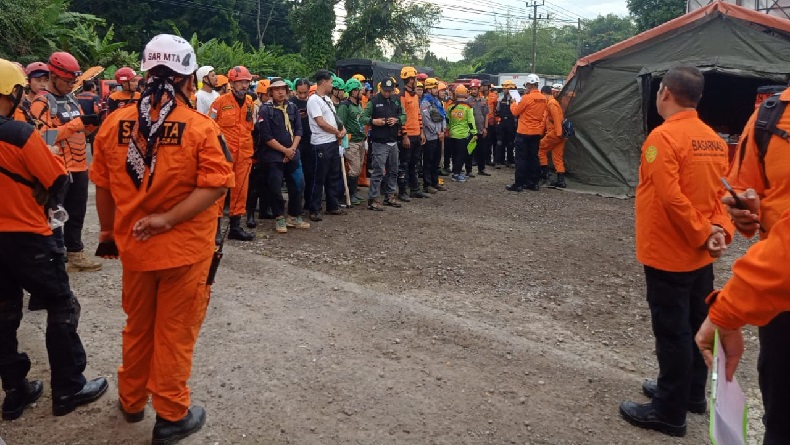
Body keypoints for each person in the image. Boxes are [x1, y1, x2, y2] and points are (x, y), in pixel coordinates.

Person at [90, 34, 233, 443]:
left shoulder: (114, 124)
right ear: (190, 78)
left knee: (138, 327)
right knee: (174, 332)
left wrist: (106, 233)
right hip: (185, 253)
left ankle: (132, 401)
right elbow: (217, 186)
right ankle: (171, 414)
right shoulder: (199, 128)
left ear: (145, 73)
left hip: (134, 249)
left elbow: (101, 185)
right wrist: (167, 220)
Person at [618, 66, 734, 438]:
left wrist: (704, 233)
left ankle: (668, 411)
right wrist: (719, 232)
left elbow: (670, 198)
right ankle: (692, 394)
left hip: (669, 251)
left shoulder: (663, 138)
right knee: (697, 324)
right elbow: (722, 195)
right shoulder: (713, 139)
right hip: (700, 255)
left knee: (672, 332)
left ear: (665, 92)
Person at [0, 57, 108, 422]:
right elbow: (55, 177)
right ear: (14, 92)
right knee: (62, 305)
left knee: (3, 315)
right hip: (28, 236)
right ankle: (69, 388)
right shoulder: (18, 133)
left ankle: (16, 391)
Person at [696, 81, 790, 444]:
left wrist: (726, 312)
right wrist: (744, 212)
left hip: (776, 283)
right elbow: (745, 189)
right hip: (780, 303)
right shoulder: (771, 115)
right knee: (781, 412)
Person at [29, 52, 103, 272]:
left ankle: (75, 252)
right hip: (59, 167)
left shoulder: (72, 99)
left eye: (73, 81)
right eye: (67, 81)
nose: (71, 85)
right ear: (53, 76)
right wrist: (76, 124)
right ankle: (55, 256)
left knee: (77, 212)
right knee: (56, 215)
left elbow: (80, 127)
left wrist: (91, 124)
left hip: (80, 165)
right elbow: (41, 138)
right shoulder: (42, 103)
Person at [256, 79, 310, 233]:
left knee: (298, 184)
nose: (280, 92)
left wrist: (292, 149)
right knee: (275, 187)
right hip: (273, 156)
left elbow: (299, 130)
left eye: (283, 89)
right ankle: (279, 217)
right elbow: (266, 136)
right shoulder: (265, 110)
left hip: (293, 153)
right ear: (271, 92)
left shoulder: (292, 107)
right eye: (276, 89)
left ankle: (294, 216)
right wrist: (284, 151)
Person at [209, 66, 257, 242]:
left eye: (246, 82)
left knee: (240, 191)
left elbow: (250, 127)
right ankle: (215, 230)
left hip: (244, 155)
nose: (244, 85)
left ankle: (235, 228)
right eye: (240, 82)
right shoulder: (220, 102)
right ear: (231, 84)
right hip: (224, 155)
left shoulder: (250, 102)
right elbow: (210, 127)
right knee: (220, 192)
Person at [306, 69, 346, 221]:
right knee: (319, 177)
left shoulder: (327, 99)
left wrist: (341, 130)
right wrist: (337, 131)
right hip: (321, 143)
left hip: (332, 142)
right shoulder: (313, 100)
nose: (332, 85)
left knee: (333, 176)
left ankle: (332, 205)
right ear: (323, 82)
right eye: (330, 82)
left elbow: (333, 118)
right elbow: (321, 122)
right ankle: (314, 208)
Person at [360, 77, 406, 210]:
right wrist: (373, 121)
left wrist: (396, 120)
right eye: (385, 91)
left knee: (393, 170)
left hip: (393, 141)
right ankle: (373, 199)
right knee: (378, 171)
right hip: (380, 142)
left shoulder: (396, 100)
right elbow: (363, 117)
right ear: (380, 89)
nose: (388, 93)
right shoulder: (373, 101)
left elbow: (404, 116)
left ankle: (390, 196)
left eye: (390, 91)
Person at [506, 74, 546, 192]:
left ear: (529, 84)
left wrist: (513, 102)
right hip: (536, 132)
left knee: (521, 158)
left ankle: (519, 184)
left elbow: (516, 112)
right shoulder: (543, 98)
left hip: (524, 131)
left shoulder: (526, 98)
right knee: (533, 157)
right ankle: (533, 183)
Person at [398, 66, 428, 201]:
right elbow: (401, 117)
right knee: (404, 164)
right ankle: (402, 191)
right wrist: (404, 135)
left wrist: (421, 132)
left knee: (415, 163)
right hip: (407, 135)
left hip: (417, 133)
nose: (416, 80)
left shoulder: (415, 95)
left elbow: (418, 114)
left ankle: (415, 189)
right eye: (414, 78)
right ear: (409, 80)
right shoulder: (401, 96)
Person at [336, 78, 366, 206]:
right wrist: (341, 142)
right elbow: (340, 122)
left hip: (360, 140)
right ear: (353, 91)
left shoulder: (358, 105)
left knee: (358, 168)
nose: (361, 92)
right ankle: (349, 194)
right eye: (359, 90)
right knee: (354, 169)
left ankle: (353, 193)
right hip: (351, 141)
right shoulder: (345, 106)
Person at [420, 77, 447, 194]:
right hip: (430, 136)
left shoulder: (437, 102)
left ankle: (435, 182)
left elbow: (442, 117)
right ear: (428, 89)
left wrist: (443, 130)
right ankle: (427, 184)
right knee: (428, 161)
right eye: (434, 88)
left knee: (436, 160)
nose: (436, 90)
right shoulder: (425, 103)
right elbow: (426, 120)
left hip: (439, 135)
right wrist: (437, 131)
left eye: (436, 88)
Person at [291, 78, 314, 212]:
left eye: (305, 93)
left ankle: (309, 202)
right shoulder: (291, 104)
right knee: (296, 176)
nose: (303, 96)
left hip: (311, 142)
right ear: (295, 91)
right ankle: (296, 204)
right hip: (296, 143)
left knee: (310, 174)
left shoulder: (313, 102)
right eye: (300, 93)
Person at [538, 83, 567, 188]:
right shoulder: (553, 103)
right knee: (557, 157)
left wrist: (558, 133)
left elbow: (557, 120)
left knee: (540, 150)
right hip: (560, 135)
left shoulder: (551, 103)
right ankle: (561, 180)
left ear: (544, 93)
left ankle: (544, 175)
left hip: (555, 133)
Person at [446, 85, 476, 183]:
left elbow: (447, 120)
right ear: (465, 93)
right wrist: (474, 133)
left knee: (454, 154)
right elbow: (471, 121)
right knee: (461, 155)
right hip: (462, 135)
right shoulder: (468, 107)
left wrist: (449, 129)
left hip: (452, 134)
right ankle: (456, 174)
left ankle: (455, 171)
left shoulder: (451, 106)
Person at [467, 79, 490, 177]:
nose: (473, 91)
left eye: (475, 89)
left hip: (481, 129)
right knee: (470, 150)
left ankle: (482, 169)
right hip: (471, 131)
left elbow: (486, 115)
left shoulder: (484, 101)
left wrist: (485, 128)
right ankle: (469, 170)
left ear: (479, 89)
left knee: (482, 150)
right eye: (472, 89)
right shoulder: (467, 101)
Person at [496, 80, 517, 169]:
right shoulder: (501, 98)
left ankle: (510, 160)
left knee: (510, 142)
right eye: (504, 88)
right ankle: (498, 161)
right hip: (502, 122)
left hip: (511, 122)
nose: (504, 90)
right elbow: (497, 109)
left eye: (506, 88)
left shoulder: (515, 98)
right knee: (500, 142)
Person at [484, 81, 498, 166]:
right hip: (481, 122)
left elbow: (496, 109)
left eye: (484, 85)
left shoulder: (494, 96)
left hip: (491, 122)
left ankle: (489, 159)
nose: (482, 87)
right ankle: (481, 159)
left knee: (490, 141)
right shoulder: (479, 96)